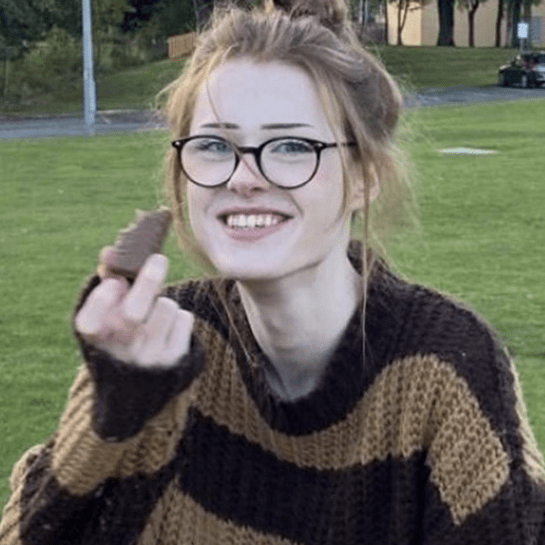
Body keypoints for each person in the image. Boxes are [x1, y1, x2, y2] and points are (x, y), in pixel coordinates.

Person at [1, 0, 545, 543]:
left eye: (290, 146)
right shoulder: (156, 346)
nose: (243, 177)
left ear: (363, 178)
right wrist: (115, 410)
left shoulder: (445, 367)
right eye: (215, 145)